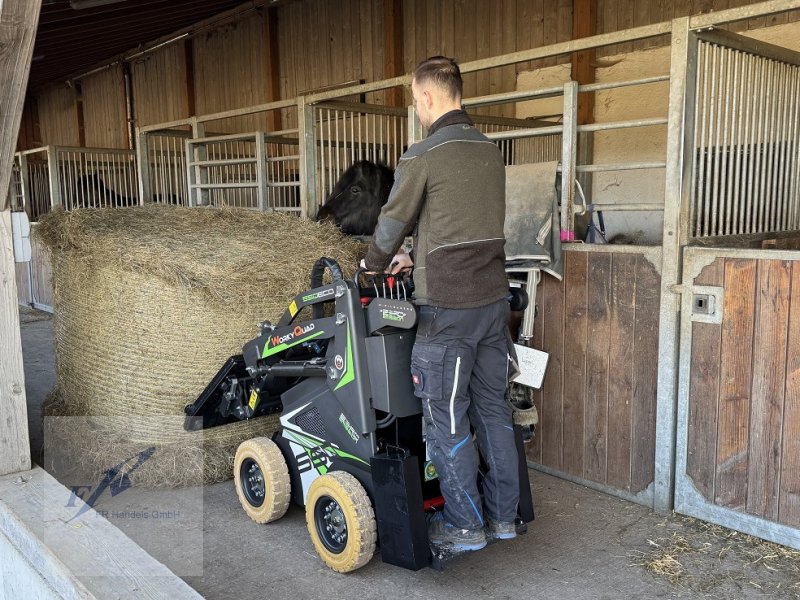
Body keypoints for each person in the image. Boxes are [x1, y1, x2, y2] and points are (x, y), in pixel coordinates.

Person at [362, 56, 519, 551]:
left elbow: (391, 223)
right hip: (492, 304)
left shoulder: (425, 154)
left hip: (447, 313)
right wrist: (418, 259)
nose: (415, 106)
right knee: (493, 412)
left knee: (446, 420)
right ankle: (503, 520)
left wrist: (369, 269)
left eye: (413, 98)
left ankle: (464, 526)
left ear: (426, 96)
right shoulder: (490, 152)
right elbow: (460, 227)